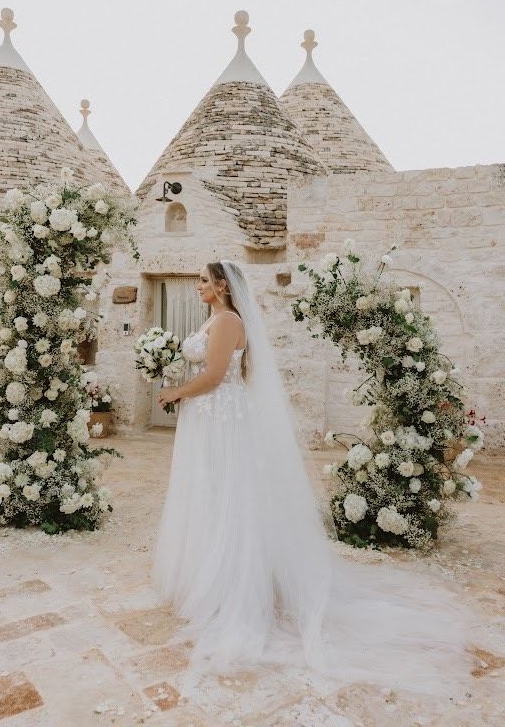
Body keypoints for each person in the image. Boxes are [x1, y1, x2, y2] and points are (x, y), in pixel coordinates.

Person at [152, 260, 475, 700]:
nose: (198, 288)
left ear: (223, 286)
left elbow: (212, 377)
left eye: (204, 282)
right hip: (209, 417)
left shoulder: (227, 320)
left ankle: (230, 583)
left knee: (226, 492)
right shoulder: (215, 318)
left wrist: (174, 392)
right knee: (210, 493)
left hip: (219, 414)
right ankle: (209, 570)